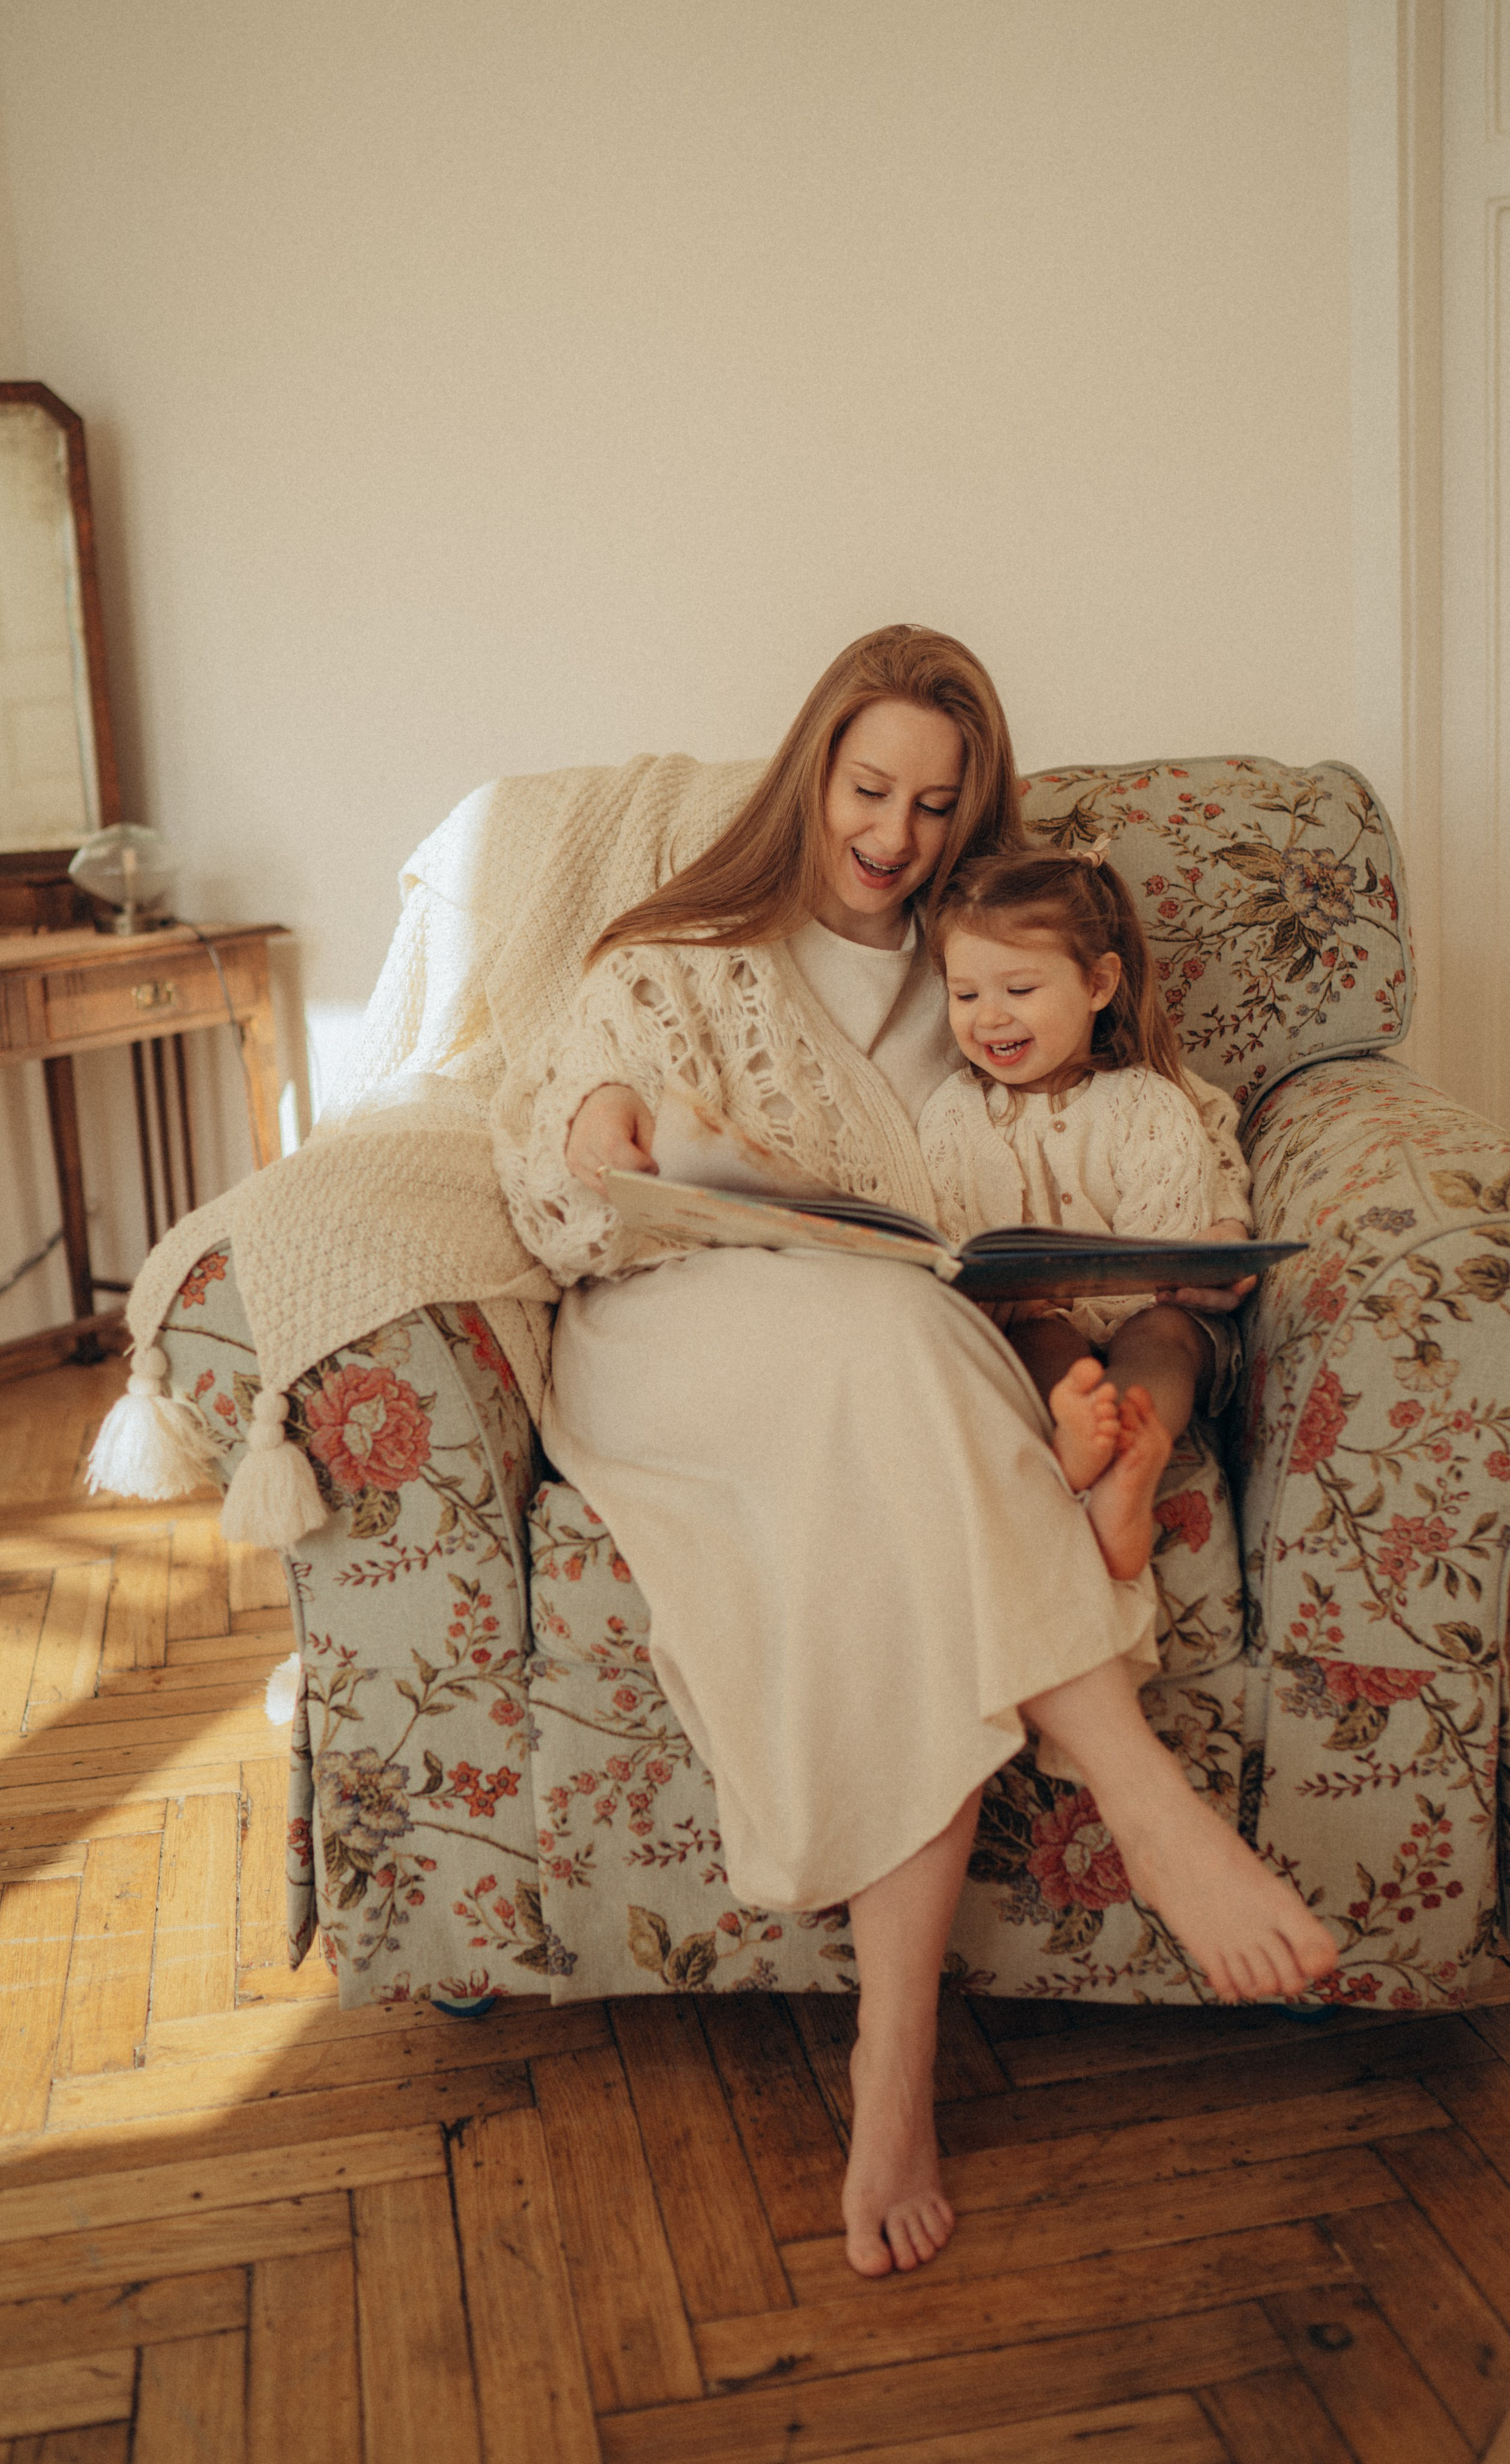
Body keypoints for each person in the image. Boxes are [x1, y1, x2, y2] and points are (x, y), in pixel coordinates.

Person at [490, 625, 1337, 2282]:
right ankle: (1146, 1799)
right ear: (810, 770)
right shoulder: (686, 948)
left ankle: (893, 2065)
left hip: (891, 1334)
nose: (893, 833)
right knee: (888, 1356)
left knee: (899, 1390)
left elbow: (1117, 1105)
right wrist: (597, 1126)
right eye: (868, 788)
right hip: (677, 1330)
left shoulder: (987, 960)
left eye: (935, 806)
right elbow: (555, 1115)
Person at [920, 844, 1255, 1584]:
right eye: (965, 994)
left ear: (1099, 983)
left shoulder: (1148, 1104)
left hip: (1153, 1315)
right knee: (1042, 1343)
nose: (989, 1017)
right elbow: (950, 1235)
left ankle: (1136, 1446)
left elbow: (1163, 1246)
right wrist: (999, 1299)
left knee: (1164, 1335)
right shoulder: (950, 1117)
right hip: (1038, 1328)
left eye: (1018, 988)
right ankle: (1080, 1444)